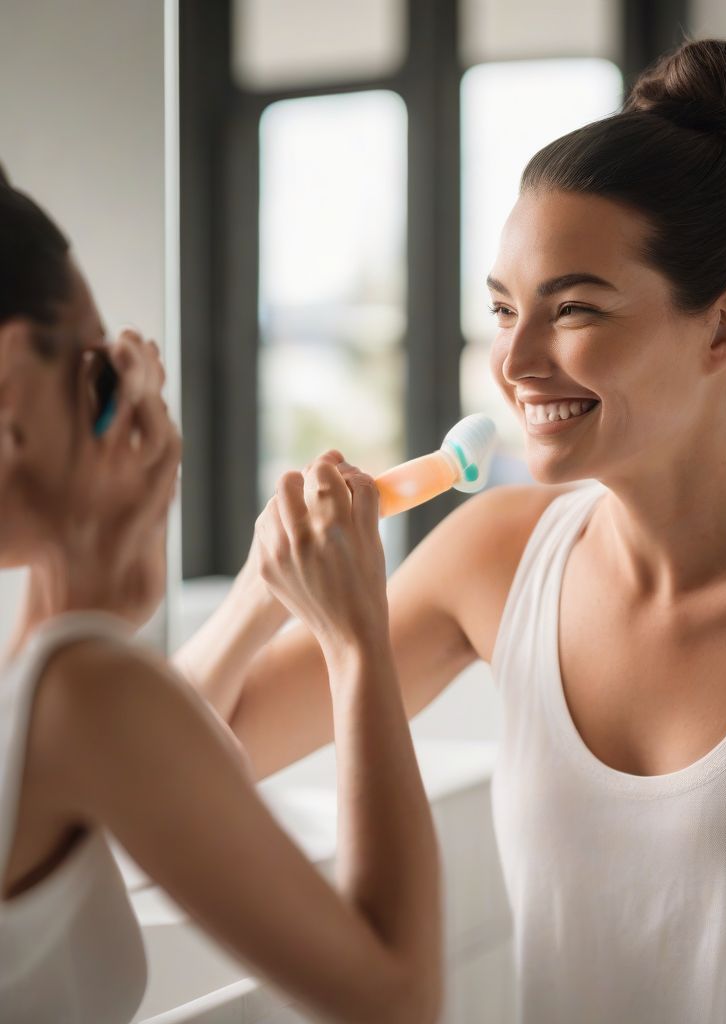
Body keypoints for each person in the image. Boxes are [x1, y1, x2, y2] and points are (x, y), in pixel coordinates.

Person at [180, 38, 726, 1024]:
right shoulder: (494, 555)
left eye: (573, 309)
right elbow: (181, 759)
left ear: (725, 330)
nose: (515, 359)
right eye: (501, 309)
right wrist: (257, 590)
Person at [0, 168, 441, 1023]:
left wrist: (236, 599)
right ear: (12, 380)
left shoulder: (62, 690)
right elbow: (400, 998)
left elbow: (73, 766)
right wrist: (357, 639)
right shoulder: (81, 692)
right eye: (100, 370)